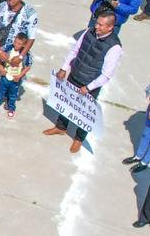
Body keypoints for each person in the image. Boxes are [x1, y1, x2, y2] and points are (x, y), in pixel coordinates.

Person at [44, 11, 123, 153]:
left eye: (101, 25)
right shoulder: (88, 32)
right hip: (75, 74)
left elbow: (106, 75)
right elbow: (75, 51)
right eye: (97, 22)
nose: (96, 26)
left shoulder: (114, 47)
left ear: (110, 27)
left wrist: (89, 87)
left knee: (84, 113)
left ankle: (79, 139)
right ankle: (61, 127)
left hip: (90, 84)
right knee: (66, 102)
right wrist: (64, 68)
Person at [0, 35, 32, 118]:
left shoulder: (26, 54)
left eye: (19, 44)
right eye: (15, 42)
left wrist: (20, 75)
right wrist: (1, 68)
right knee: (0, 93)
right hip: (5, 76)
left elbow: (28, 66)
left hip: (16, 79)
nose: (16, 45)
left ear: (24, 45)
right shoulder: (8, 48)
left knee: (13, 95)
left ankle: (11, 108)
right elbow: (0, 58)